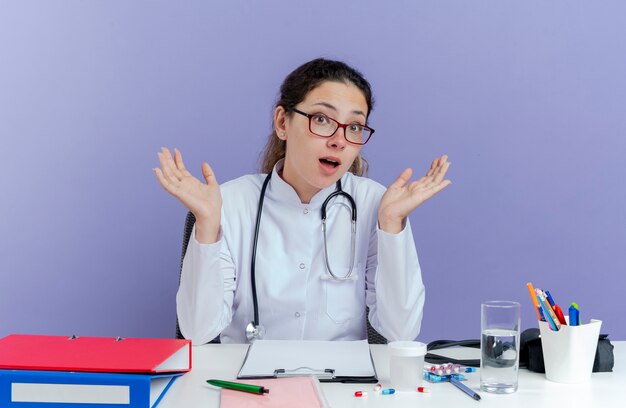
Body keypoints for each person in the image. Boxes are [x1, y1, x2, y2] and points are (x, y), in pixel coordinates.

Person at [154, 58, 451, 344]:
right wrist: (207, 227)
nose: (339, 140)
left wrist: (391, 227)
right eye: (322, 120)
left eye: (355, 127)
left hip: (344, 387)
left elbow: (402, 332)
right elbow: (196, 332)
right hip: (249, 383)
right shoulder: (230, 203)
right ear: (283, 122)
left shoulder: (377, 204)